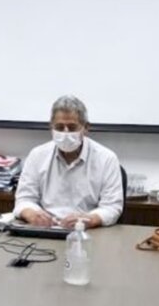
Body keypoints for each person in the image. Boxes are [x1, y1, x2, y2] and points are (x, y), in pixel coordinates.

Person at [13, 95, 124, 228]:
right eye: (59, 127)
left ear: (86, 128)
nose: (65, 133)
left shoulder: (106, 158)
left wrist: (89, 219)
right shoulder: (37, 155)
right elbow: (24, 200)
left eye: (72, 127)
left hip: (86, 232)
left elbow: (112, 207)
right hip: (46, 230)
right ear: (51, 127)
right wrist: (32, 214)